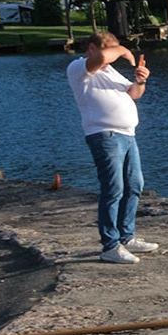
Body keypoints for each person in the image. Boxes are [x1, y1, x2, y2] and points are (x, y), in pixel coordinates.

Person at [66, 30, 158, 264]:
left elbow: (134, 94)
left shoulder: (109, 71)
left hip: (128, 135)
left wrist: (140, 79)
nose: (115, 54)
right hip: (104, 135)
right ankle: (110, 245)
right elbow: (105, 57)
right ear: (91, 49)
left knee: (135, 185)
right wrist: (124, 50)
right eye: (109, 49)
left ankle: (127, 237)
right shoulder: (79, 68)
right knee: (113, 189)